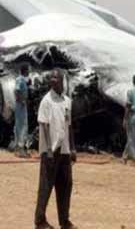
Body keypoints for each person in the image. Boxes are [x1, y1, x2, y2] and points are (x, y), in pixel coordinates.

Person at [34, 69, 77, 229]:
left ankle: (64, 220)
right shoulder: (46, 101)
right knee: (46, 185)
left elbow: (69, 125)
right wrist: (49, 151)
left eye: (56, 78)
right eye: (52, 78)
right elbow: (43, 126)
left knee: (66, 185)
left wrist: (72, 148)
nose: (53, 80)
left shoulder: (67, 101)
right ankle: (40, 221)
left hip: (64, 150)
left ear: (62, 80)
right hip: (50, 151)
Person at [14, 64, 30, 157]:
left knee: (19, 125)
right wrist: (21, 100)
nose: (29, 72)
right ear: (25, 70)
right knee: (23, 125)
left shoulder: (21, 80)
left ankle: (18, 149)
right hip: (21, 105)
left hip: (20, 105)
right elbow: (16, 91)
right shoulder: (20, 80)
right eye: (28, 70)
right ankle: (21, 150)